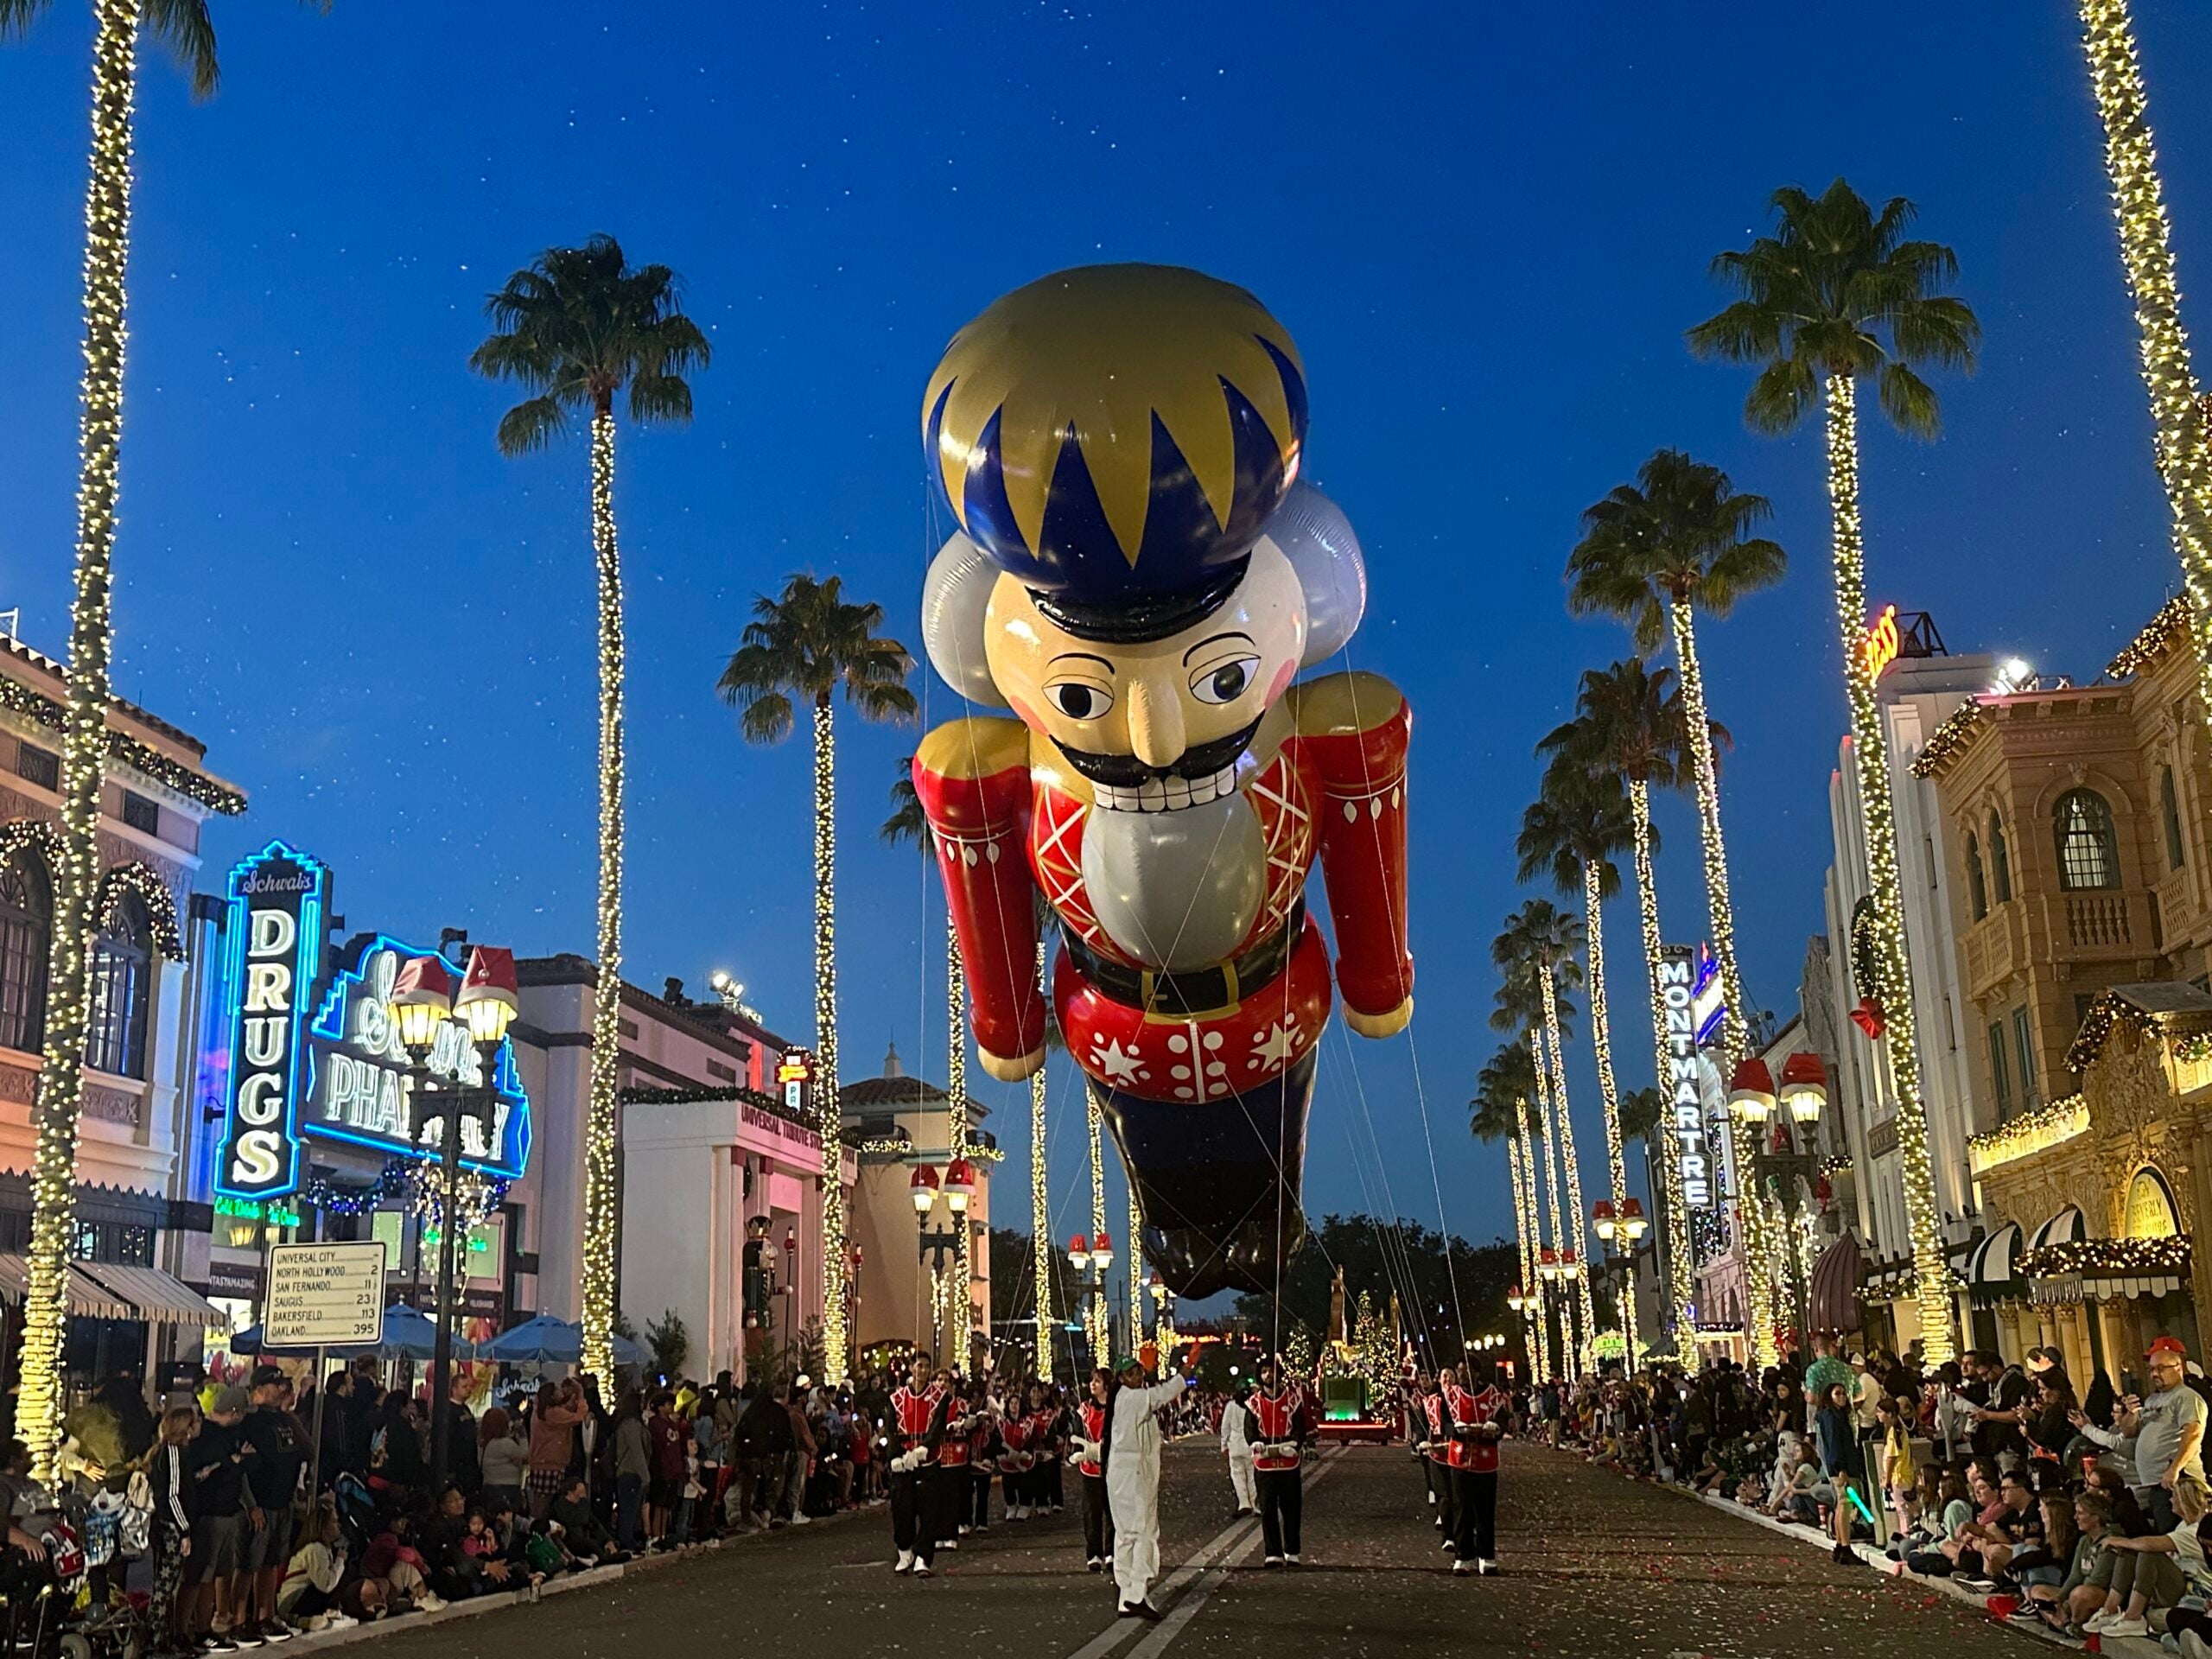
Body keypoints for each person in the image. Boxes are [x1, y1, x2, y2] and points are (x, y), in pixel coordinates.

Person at [1108, 1350, 1196, 1620]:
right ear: (1122, 1378)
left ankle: (1126, 1595)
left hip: (1119, 1474)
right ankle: (1136, 1593)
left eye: (1138, 1371)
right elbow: (1163, 1394)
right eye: (1131, 1373)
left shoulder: (1122, 1399)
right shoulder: (1134, 1398)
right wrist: (1187, 1369)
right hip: (1134, 1474)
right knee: (1145, 1532)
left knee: (1125, 1535)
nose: (1137, 1376)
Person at [238, 1363, 308, 1643]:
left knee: (271, 1564)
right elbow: (243, 1467)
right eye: (275, 1385)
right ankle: (240, 1619)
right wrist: (251, 1504)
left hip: (282, 1500)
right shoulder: (250, 1421)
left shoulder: (283, 1418)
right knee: (248, 1565)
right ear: (259, 1389)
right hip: (262, 1501)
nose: (281, 1389)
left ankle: (265, 1615)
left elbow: (304, 1451)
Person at [183, 1387, 251, 1652]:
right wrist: (234, 1462)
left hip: (225, 1511)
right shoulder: (208, 1440)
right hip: (208, 1516)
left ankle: (204, 1627)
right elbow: (209, 1475)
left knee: (213, 1575)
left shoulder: (226, 1435)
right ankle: (191, 1630)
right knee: (200, 1577)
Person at [1244, 1357, 1311, 1568]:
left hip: (1288, 1458)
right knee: (1268, 1507)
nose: (1268, 1375)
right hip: (1264, 1461)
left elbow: (1301, 1427)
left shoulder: (1293, 1400)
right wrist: (1256, 1444)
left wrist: (1295, 1443)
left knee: (1292, 1507)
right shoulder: (1253, 1403)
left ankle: (1292, 1550)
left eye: (1271, 1371)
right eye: (1264, 1372)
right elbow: (1250, 1430)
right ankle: (1273, 1552)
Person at [1443, 1359, 1506, 1576]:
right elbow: (1443, 1423)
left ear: (1476, 1372)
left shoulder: (1492, 1394)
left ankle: (1486, 1555)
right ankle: (1462, 1556)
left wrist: (1495, 1427)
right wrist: (1455, 1429)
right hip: (1460, 1459)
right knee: (1462, 1509)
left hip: (1485, 1460)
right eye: (1459, 1370)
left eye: (1466, 1370)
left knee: (1485, 1510)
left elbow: (1501, 1422)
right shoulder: (1451, 1395)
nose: (1461, 1375)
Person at [887, 1352, 947, 1577]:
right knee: (902, 1507)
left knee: (929, 1509)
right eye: (918, 1366)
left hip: (927, 1458)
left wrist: (925, 1448)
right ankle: (904, 1551)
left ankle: (923, 1557)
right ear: (911, 1368)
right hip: (903, 1459)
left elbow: (938, 1425)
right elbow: (891, 1429)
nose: (921, 1371)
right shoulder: (896, 1398)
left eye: (926, 1367)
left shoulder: (940, 1396)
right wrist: (895, 1455)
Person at [146, 1403, 197, 1656]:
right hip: (171, 1528)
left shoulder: (161, 1453)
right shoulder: (173, 1453)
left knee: (162, 1585)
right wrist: (184, 1530)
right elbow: (173, 1495)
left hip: (163, 1525)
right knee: (165, 1587)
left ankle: (159, 1638)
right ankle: (158, 1641)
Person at [527, 1380, 585, 1519]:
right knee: (543, 1506)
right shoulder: (552, 1413)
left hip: (540, 1462)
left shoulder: (540, 1410)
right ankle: (537, 1532)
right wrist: (581, 1394)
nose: (561, 1393)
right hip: (550, 1464)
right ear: (552, 1396)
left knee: (540, 1502)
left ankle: (537, 1530)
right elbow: (578, 1417)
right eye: (558, 1390)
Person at [1073, 1369, 1113, 1573]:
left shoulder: (1116, 1409)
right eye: (1092, 1381)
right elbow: (1077, 1435)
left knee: (1112, 1511)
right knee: (1091, 1512)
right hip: (1090, 1469)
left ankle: (1111, 1552)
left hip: (1112, 1467)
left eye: (1098, 1381)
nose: (1093, 1384)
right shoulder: (1084, 1410)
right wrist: (1084, 1450)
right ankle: (1094, 1553)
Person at [1218, 1380, 1255, 1518]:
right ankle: (1255, 1503)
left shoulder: (1231, 1406)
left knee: (1237, 1475)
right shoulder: (1251, 1405)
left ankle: (1244, 1503)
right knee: (1252, 1475)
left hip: (1234, 1444)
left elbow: (1225, 1426)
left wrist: (1224, 1444)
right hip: (1249, 1444)